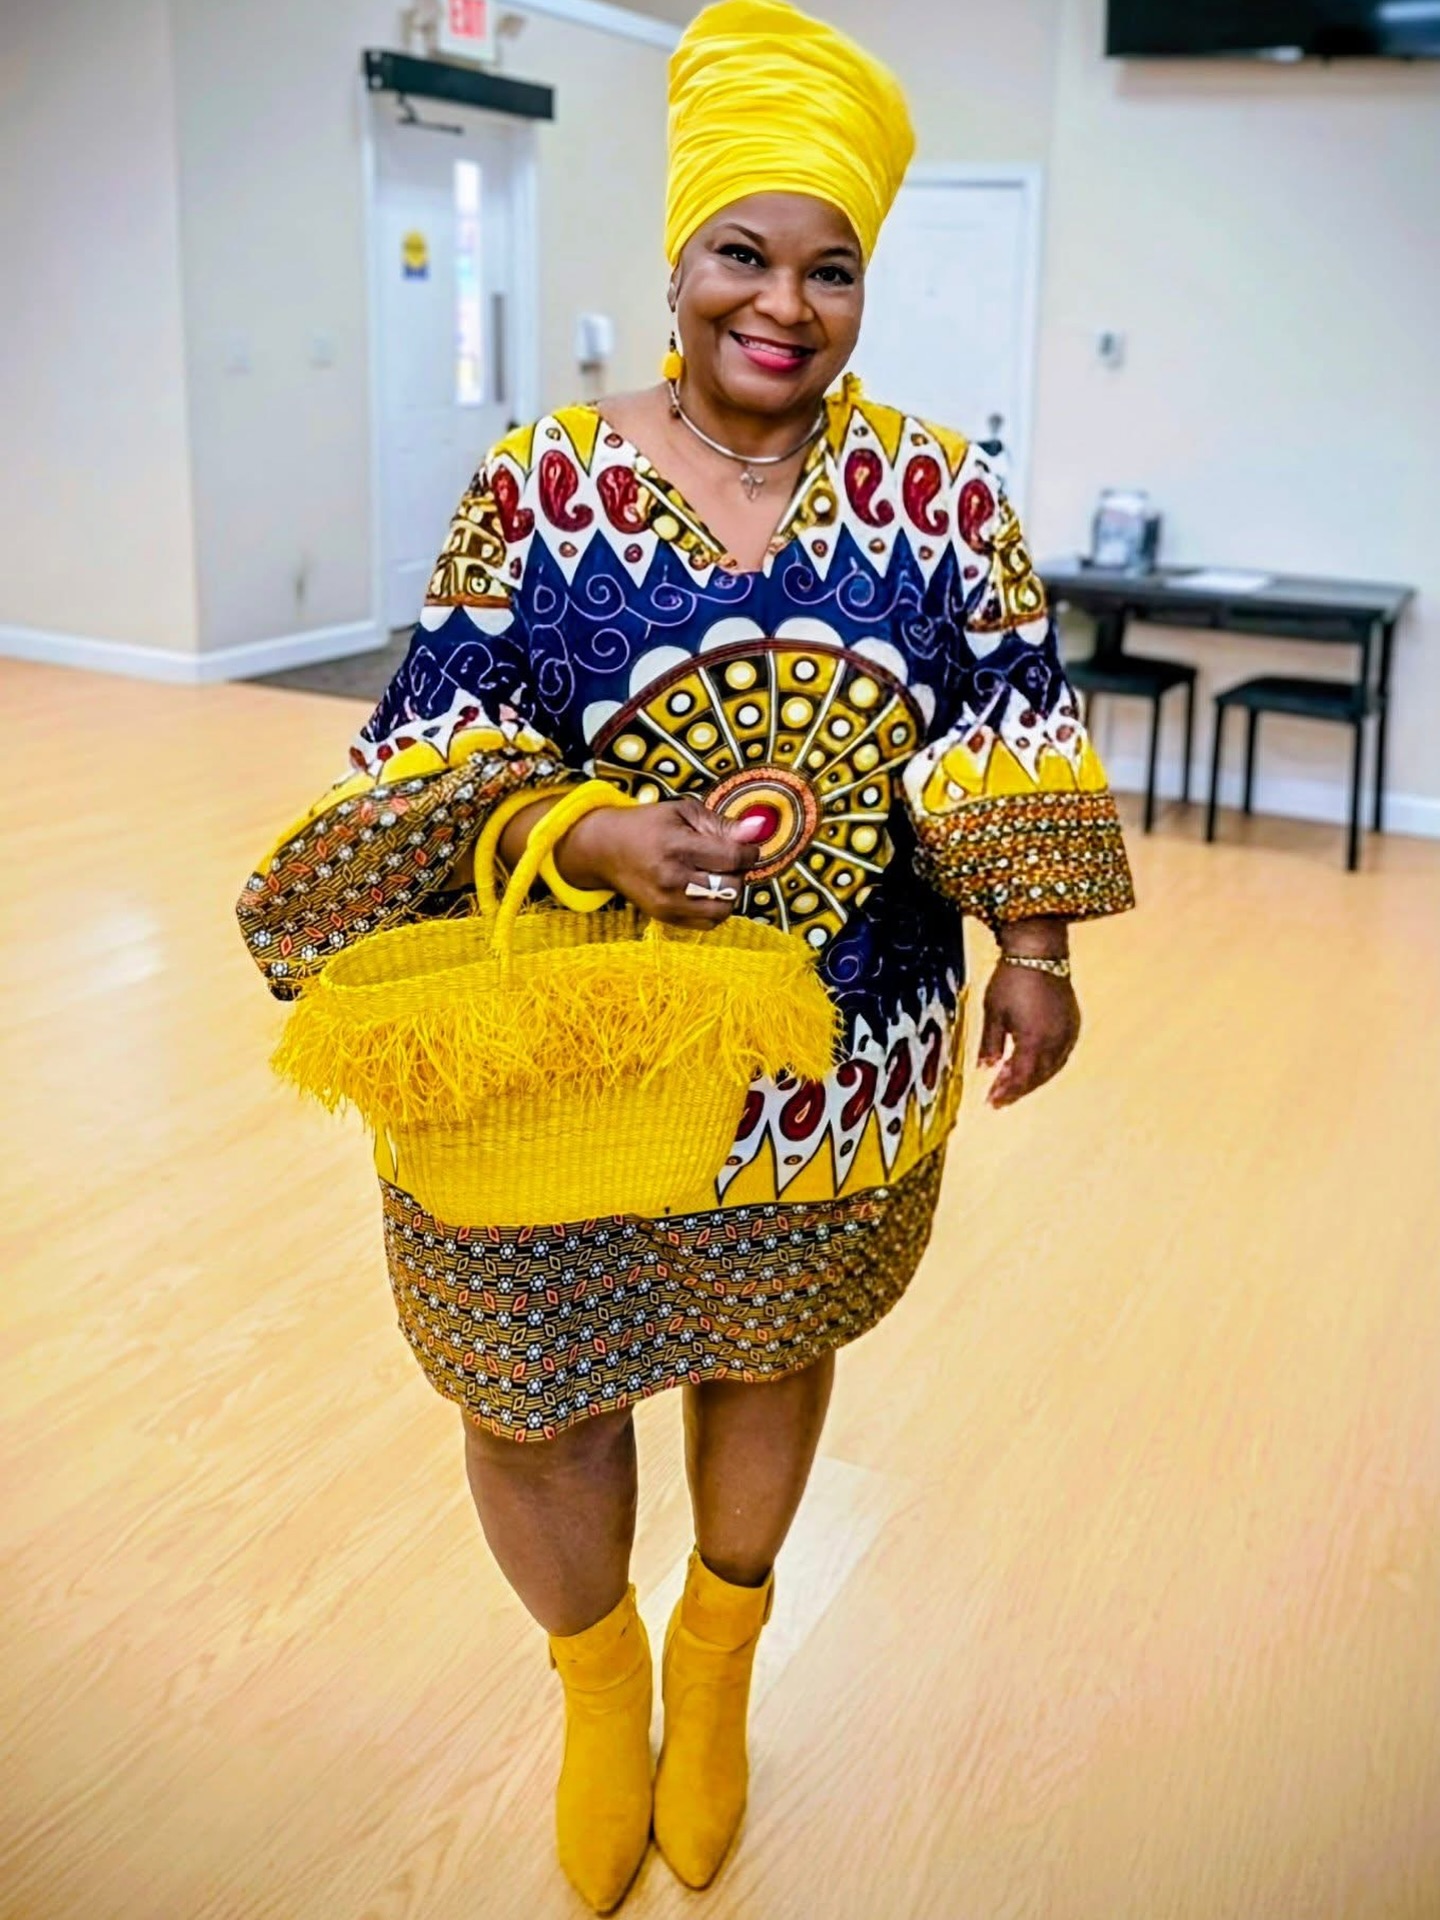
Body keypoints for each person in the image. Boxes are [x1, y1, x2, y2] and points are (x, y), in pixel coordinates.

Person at [237, 1, 1135, 1907]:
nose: (783, 305)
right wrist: (583, 830)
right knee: (529, 1386)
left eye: (831, 269)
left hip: (834, 1054)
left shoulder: (942, 499)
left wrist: (1037, 945)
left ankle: (720, 1651)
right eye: (745, 252)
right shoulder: (540, 483)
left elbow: (1006, 720)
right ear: (675, 261)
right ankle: (598, 1679)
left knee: (771, 1343)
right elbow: (429, 741)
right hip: (570, 1055)